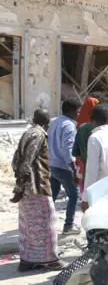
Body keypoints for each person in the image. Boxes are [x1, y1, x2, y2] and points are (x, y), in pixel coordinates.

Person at [12, 109, 66, 271]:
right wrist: (22, 185)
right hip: (37, 187)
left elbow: (15, 160)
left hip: (28, 189)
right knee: (46, 223)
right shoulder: (38, 135)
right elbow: (26, 162)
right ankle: (50, 260)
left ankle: (27, 261)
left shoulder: (28, 133)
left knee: (28, 226)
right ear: (47, 121)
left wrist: (20, 184)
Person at [48, 98, 82, 235]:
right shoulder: (69, 125)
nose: (79, 114)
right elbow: (67, 149)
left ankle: (44, 223)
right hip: (63, 165)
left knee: (52, 196)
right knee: (74, 195)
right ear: (75, 111)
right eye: (79, 111)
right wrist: (74, 169)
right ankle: (68, 226)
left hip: (53, 164)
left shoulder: (55, 121)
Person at [82, 104, 108, 207]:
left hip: (99, 190)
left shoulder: (94, 138)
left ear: (92, 120)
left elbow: (92, 170)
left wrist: (85, 198)